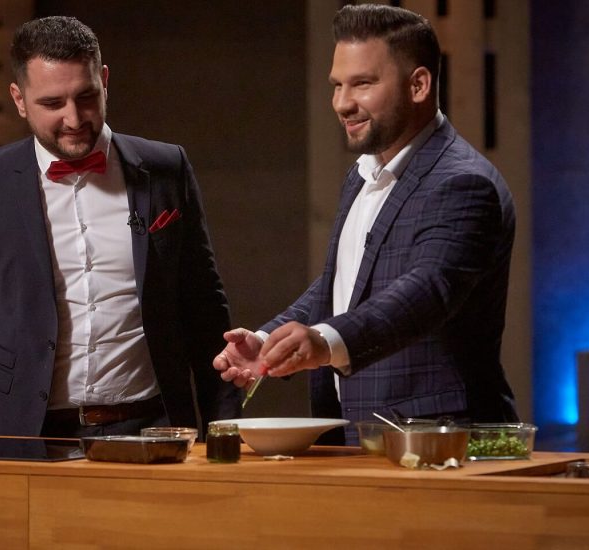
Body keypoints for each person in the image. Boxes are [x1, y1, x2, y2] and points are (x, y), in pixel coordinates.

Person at [214, 4, 518, 445]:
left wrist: (324, 341)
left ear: (418, 85)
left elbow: (427, 291)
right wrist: (268, 341)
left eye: (362, 83)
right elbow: (346, 282)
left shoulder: (463, 182)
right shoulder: (362, 174)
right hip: (360, 435)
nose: (342, 103)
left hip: (439, 441)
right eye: (337, 85)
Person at [0, 16, 240, 438]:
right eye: (52, 104)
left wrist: (225, 431)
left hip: (154, 428)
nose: (74, 118)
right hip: (28, 434)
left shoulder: (166, 168)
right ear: (19, 99)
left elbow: (205, 309)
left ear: (105, 81)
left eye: (86, 96)